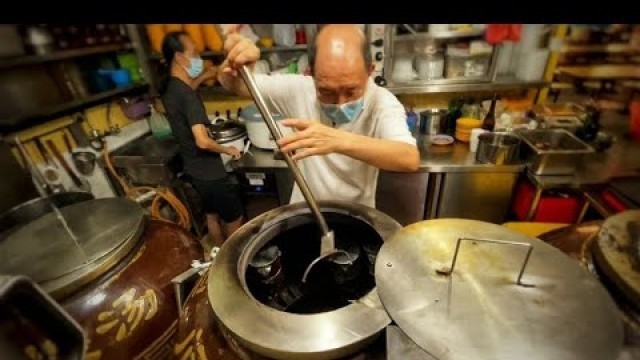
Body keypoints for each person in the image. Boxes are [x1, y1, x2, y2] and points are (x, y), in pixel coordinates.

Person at [218, 24, 420, 208]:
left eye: (351, 91)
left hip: (357, 213)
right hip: (306, 210)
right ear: (311, 74)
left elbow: (408, 157)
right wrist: (233, 66)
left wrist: (337, 141)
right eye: (327, 92)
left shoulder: (382, 101)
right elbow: (238, 86)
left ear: (369, 71)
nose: (340, 104)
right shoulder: (299, 89)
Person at [161, 31, 244, 246]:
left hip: (194, 171)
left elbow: (189, 90)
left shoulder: (172, 88)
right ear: (180, 57)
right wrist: (229, 151)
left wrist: (206, 76)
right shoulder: (188, 96)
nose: (199, 58)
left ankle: (216, 254)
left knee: (211, 216)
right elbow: (202, 141)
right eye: (195, 53)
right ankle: (230, 261)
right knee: (235, 219)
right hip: (211, 173)